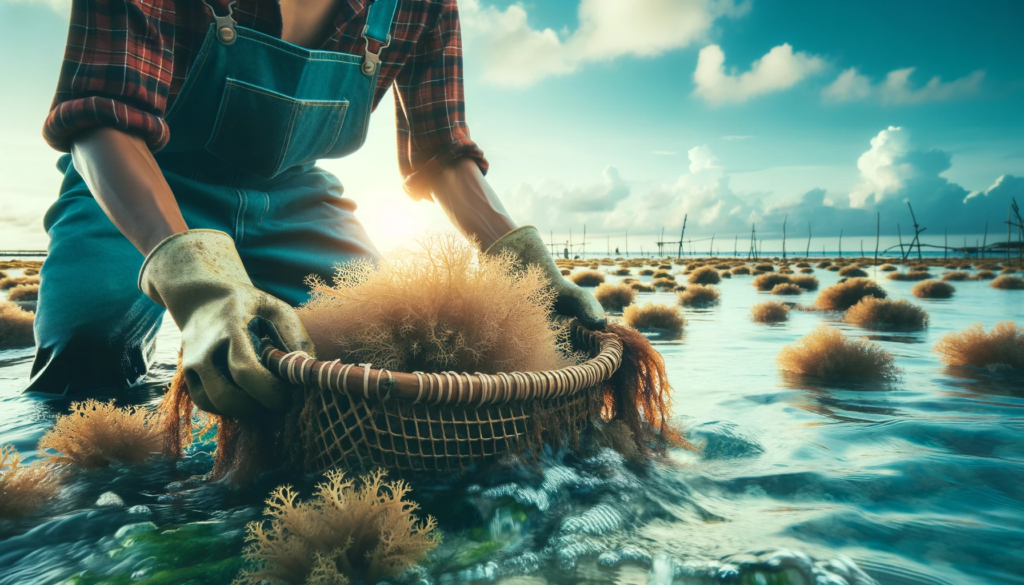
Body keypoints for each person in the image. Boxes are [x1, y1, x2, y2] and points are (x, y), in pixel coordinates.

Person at [29, 0, 604, 418]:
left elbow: (443, 152)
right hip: (137, 174)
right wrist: (196, 284)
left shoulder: (422, 6)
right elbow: (102, 115)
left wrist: (530, 271)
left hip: (293, 195)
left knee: (381, 361)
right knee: (83, 361)